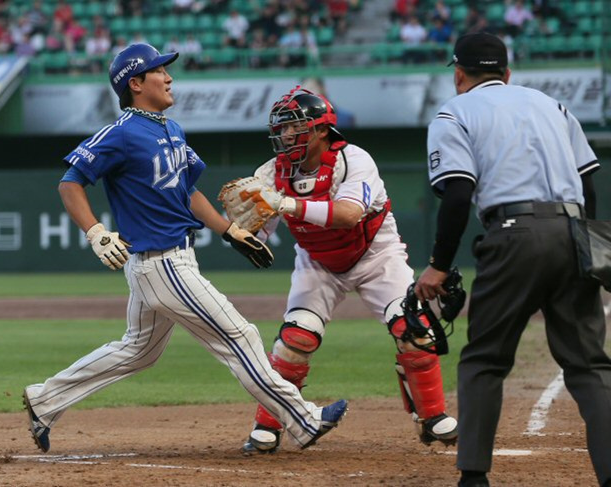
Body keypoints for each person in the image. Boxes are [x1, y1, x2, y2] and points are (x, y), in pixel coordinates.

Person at [22, 43, 348, 454]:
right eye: (160, 70)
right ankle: (302, 420)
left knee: (137, 351)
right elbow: (70, 182)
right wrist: (96, 232)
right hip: (161, 263)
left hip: (167, 262)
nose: (169, 76)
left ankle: (44, 400)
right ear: (136, 83)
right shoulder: (120, 134)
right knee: (240, 337)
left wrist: (230, 231)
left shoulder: (170, 128)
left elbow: (187, 190)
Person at [414, 32, 611, 487]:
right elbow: (590, 184)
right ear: (506, 73)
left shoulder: (453, 111)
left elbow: (458, 193)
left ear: (459, 75)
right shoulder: (551, 105)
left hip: (513, 234)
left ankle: (474, 479)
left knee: (485, 359)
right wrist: (588, 247)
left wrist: (440, 264)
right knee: (589, 366)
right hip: (575, 231)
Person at [233, 87, 458, 454]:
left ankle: (431, 416)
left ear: (322, 130)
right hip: (317, 261)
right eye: (283, 128)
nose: (286, 135)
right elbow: (259, 231)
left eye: (295, 127)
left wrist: (286, 203)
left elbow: (349, 214)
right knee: (295, 341)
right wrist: (242, 233)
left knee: (413, 331)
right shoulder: (271, 172)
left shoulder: (353, 159)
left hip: (375, 255)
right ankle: (268, 425)